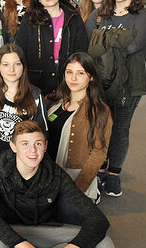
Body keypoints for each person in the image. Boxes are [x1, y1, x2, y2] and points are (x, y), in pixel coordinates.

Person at [0, 120, 115, 248]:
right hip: (14, 232)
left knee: (106, 245)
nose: (32, 151)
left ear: (45, 146)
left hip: (44, 230)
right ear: (13, 147)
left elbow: (98, 218)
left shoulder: (55, 174)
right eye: (25, 144)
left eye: (38, 144)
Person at [85, 0, 146, 198]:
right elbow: (88, 47)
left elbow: (135, 46)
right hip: (99, 82)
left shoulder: (142, 15)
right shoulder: (99, 15)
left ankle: (114, 173)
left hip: (128, 84)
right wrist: (118, 40)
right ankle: (100, 168)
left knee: (120, 130)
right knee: (100, 127)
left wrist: (102, 40)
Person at [46, 53, 113, 203]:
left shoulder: (99, 111)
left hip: (73, 180)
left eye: (80, 73)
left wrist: (77, 190)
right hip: (47, 177)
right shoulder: (52, 100)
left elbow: (98, 153)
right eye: (69, 72)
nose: (73, 78)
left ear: (91, 77)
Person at [15, 0, 89, 95]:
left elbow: (82, 49)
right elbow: (20, 49)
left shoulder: (73, 17)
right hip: (37, 78)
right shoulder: (30, 18)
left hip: (67, 75)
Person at [0, 44, 47, 162]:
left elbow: (42, 133)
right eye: (6, 64)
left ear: (23, 66)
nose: (11, 69)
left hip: (23, 163)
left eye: (17, 64)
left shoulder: (35, 94)